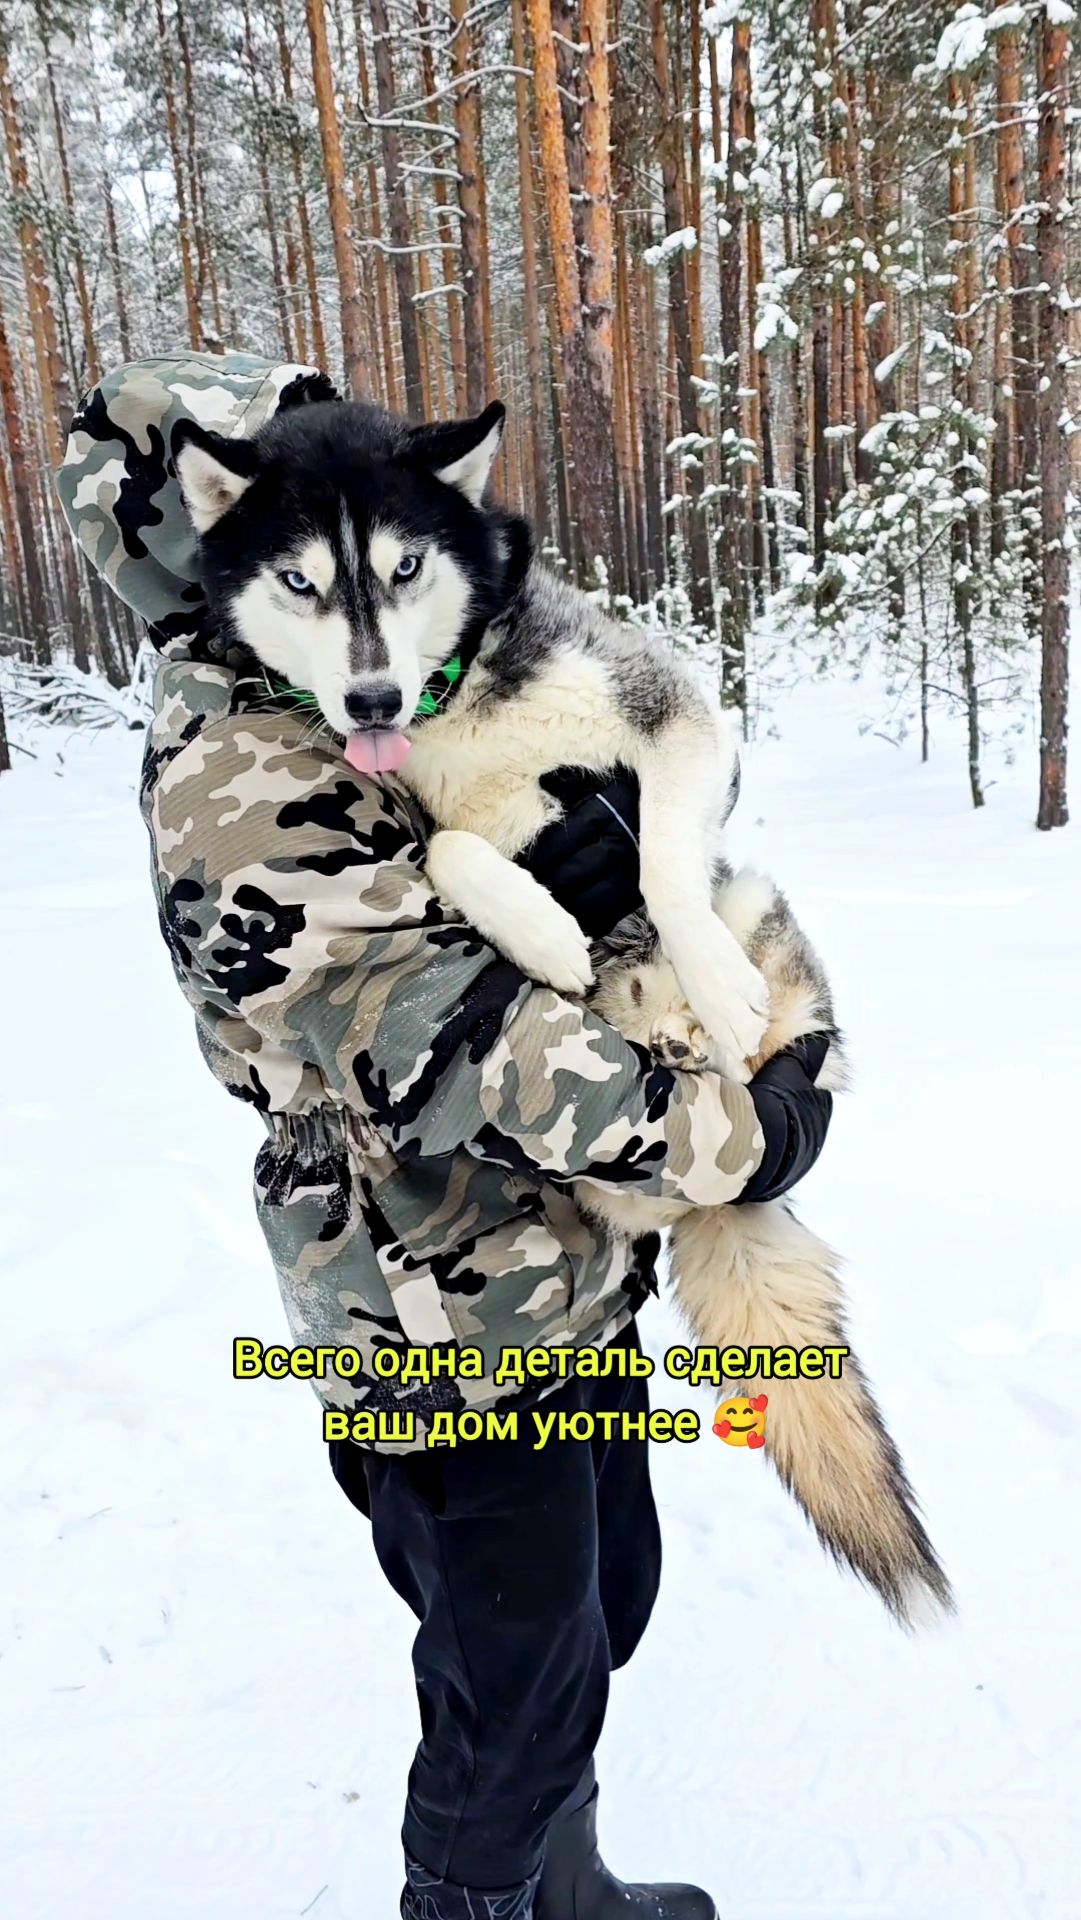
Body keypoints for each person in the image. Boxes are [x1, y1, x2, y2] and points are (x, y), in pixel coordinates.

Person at [58, 353, 832, 1920]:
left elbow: (628, 731)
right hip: (432, 1308)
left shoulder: (390, 664)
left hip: (556, 1267)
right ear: (202, 527)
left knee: (598, 1615)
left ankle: (565, 1885)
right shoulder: (236, 769)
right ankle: (471, 1899)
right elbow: (456, 1043)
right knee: (509, 1690)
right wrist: (741, 1142)